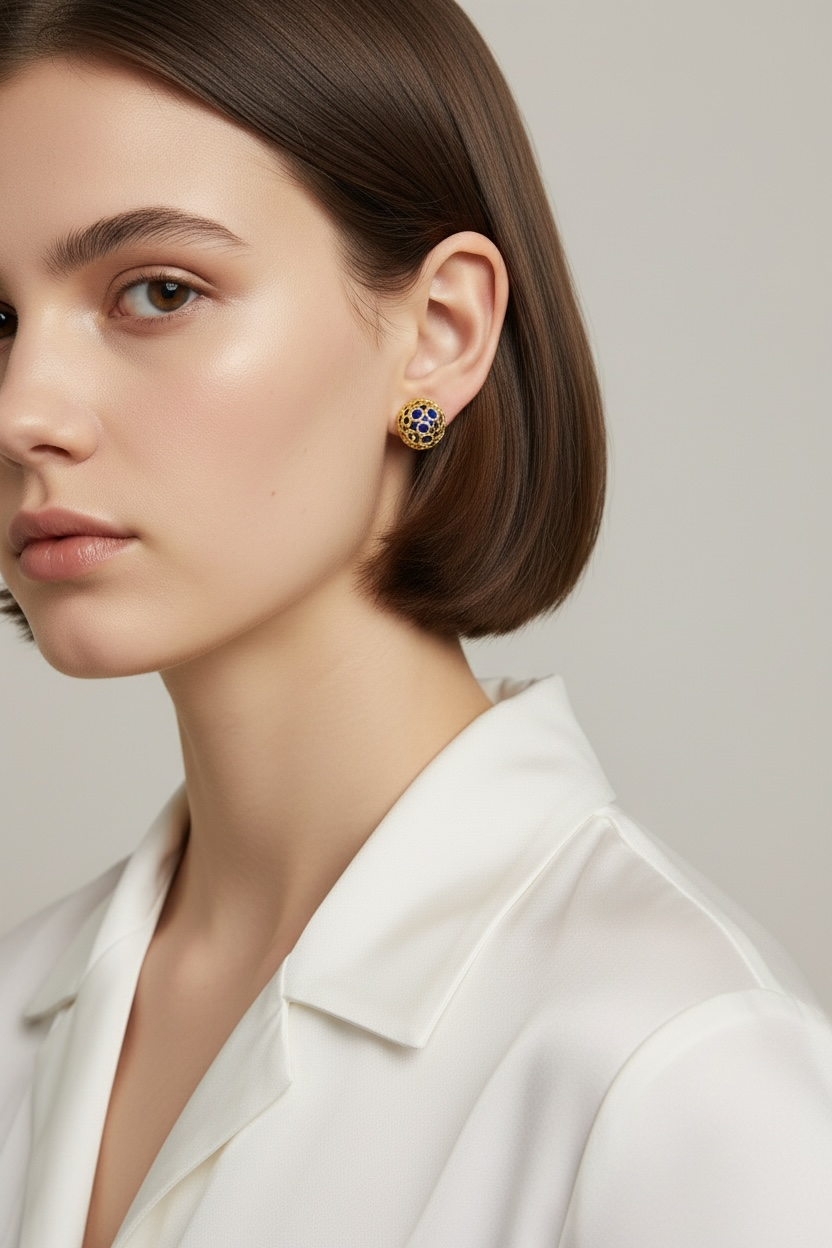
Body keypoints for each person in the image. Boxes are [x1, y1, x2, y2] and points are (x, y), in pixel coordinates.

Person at [0, 1, 830, 1245]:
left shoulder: (674, 1072)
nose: (26, 411)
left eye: (156, 291)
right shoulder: (20, 999)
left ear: (440, 336)